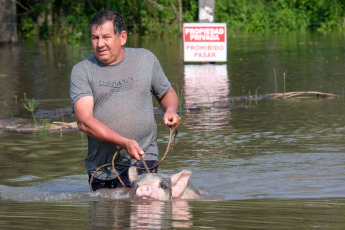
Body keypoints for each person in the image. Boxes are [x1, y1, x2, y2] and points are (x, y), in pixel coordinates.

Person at [70, 10, 181, 191]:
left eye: (106, 37)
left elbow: (167, 93)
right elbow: (84, 122)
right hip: (102, 168)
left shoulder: (146, 59)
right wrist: (124, 142)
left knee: (144, 212)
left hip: (144, 159)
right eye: (94, 38)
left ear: (122, 37)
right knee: (104, 215)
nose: (100, 44)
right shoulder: (82, 71)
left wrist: (170, 111)